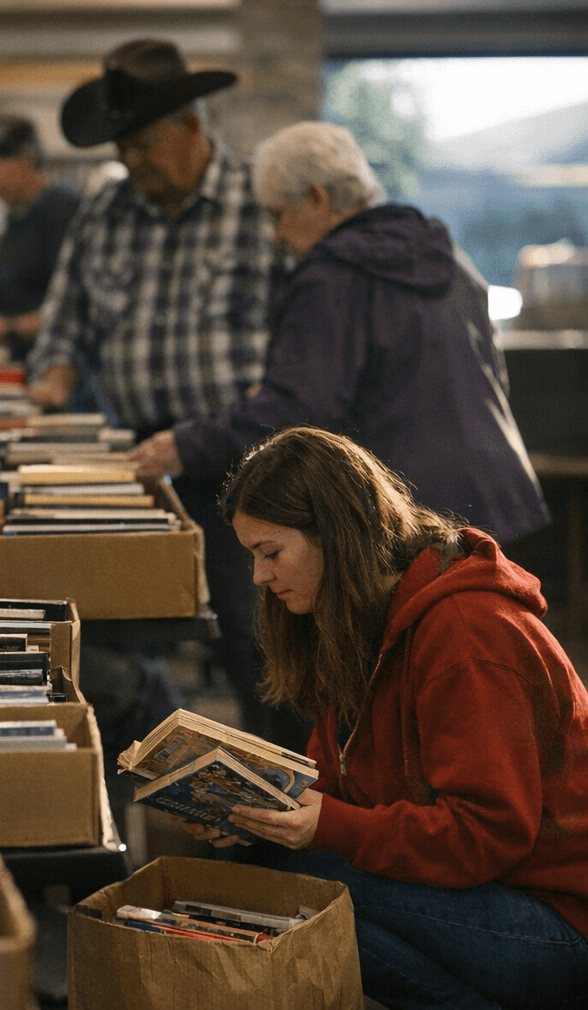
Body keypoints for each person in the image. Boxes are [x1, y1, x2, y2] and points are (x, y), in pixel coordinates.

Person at [192, 425, 588, 1010]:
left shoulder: (467, 635)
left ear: (336, 536)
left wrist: (329, 827)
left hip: (556, 920)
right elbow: (342, 774)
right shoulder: (357, 619)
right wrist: (260, 812)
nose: (258, 577)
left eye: (271, 554)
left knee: (322, 892)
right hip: (489, 893)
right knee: (265, 864)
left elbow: (486, 836)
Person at [26, 38, 292, 748]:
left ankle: (286, 805)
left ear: (192, 127)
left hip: (255, 463)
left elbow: (306, 329)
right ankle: (174, 794)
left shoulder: (260, 203)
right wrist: (53, 376)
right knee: (122, 632)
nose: (134, 159)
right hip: (145, 466)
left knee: (258, 639)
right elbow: (64, 321)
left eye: (145, 142)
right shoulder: (106, 210)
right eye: (125, 145)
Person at [130, 121, 549, 546]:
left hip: (417, 519)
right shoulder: (447, 253)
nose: (276, 236)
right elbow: (492, 374)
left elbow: (298, 412)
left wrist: (186, 445)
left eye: (278, 215)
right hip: (500, 500)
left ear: (317, 197)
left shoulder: (331, 274)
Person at [0, 113, 79, 365]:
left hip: (55, 369)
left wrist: (8, 328)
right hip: (19, 362)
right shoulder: (17, 216)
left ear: (25, 160)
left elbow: (74, 310)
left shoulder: (63, 213)